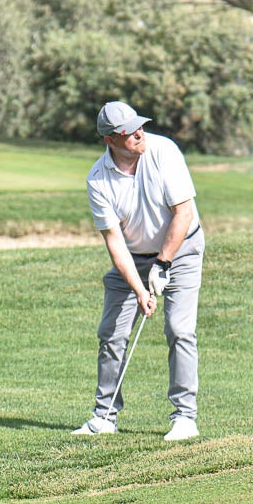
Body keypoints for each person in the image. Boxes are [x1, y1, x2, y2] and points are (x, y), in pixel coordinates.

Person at [73, 101, 205, 441]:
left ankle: (185, 418)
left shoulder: (163, 151)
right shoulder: (98, 180)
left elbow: (184, 214)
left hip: (182, 250)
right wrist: (139, 289)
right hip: (132, 257)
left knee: (179, 329)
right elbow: (115, 242)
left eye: (139, 126)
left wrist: (163, 263)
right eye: (128, 131)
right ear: (110, 140)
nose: (138, 133)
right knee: (111, 333)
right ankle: (104, 416)